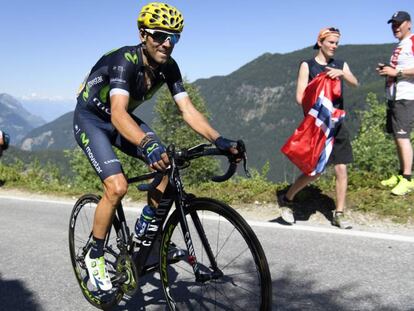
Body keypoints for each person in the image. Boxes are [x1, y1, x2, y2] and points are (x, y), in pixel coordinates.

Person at [73, 2, 239, 291]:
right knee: (116, 187)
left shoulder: (169, 67)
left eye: (174, 37)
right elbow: (118, 113)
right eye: (160, 35)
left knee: (167, 161)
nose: (167, 43)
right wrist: (146, 142)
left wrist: (219, 139)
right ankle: (95, 255)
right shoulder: (125, 60)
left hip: (119, 119)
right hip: (92, 119)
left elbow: (187, 109)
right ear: (142, 35)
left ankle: (147, 228)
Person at [278, 27, 358, 229]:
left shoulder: (340, 65)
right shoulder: (308, 65)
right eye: (331, 42)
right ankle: (287, 199)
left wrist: (342, 74)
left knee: (341, 169)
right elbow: (299, 97)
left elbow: (355, 83)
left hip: (338, 124)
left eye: (337, 43)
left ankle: (339, 213)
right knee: (315, 171)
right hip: (319, 127)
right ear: (320, 42)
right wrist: (318, 88)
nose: (334, 46)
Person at [378, 11, 414, 196]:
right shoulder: (400, 45)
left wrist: (396, 73)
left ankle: (408, 179)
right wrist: (387, 70)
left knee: (402, 136)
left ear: (409, 23)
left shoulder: (413, 41)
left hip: (407, 97)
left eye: (399, 23)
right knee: (397, 137)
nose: (395, 27)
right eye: (393, 24)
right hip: (394, 97)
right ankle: (401, 174)